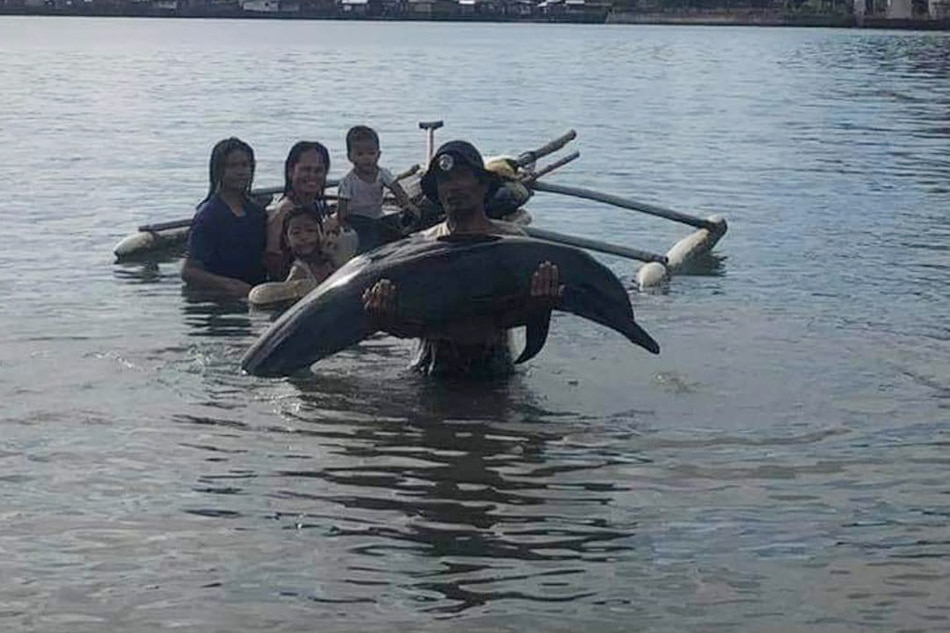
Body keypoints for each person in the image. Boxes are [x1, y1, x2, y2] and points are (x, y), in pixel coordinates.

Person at [362, 140, 562, 379]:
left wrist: (540, 304)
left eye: (462, 176)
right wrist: (384, 318)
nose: (454, 187)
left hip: (494, 363)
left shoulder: (512, 241)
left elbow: (514, 314)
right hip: (432, 364)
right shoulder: (419, 247)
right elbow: (411, 327)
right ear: (437, 191)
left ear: (483, 185)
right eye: (445, 180)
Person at [181, 137, 268, 297]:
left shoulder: (256, 211)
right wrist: (228, 285)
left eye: (245, 165)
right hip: (222, 296)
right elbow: (189, 271)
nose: (240, 171)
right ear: (219, 170)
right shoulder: (209, 215)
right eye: (232, 166)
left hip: (254, 292)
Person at [332, 125, 421, 254]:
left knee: (397, 230)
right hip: (356, 219)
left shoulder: (383, 174)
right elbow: (342, 210)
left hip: (377, 217)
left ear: (378, 154)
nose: (366, 158)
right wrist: (344, 226)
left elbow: (397, 190)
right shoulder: (348, 182)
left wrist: (408, 204)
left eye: (371, 153)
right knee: (365, 242)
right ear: (350, 157)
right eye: (360, 154)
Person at [264, 141, 334, 280]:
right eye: (306, 169)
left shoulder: (319, 206)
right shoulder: (283, 212)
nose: (312, 176)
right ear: (291, 172)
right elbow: (272, 259)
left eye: (318, 170)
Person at [282, 206, 336, 287]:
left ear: (321, 233)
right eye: (296, 233)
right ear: (287, 240)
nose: (304, 237)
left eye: (310, 230)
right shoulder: (298, 272)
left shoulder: (330, 261)